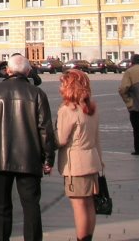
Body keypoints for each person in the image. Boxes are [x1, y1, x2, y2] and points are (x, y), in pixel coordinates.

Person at [0, 53, 56, 241]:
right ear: (28, 71)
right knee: (31, 206)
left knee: (1, 204)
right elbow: (45, 130)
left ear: (8, 70)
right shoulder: (37, 94)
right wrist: (48, 159)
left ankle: (1, 238)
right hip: (29, 159)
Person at [56, 70, 104, 241]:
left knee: (79, 207)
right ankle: (88, 237)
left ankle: (81, 239)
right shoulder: (91, 107)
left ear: (70, 86)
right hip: (92, 160)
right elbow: (97, 137)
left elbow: (61, 139)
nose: (61, 87)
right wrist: (100, 161)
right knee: (90, 204)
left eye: (63, 84)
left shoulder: (68, 110)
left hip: (75, 164)